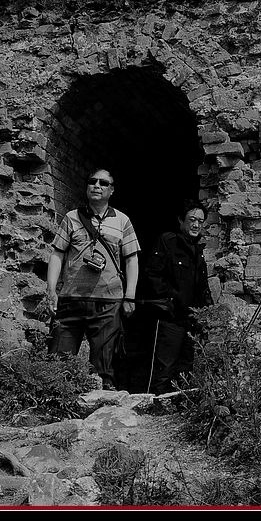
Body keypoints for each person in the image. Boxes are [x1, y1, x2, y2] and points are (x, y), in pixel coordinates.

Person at [46, 168, 140, 390]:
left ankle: (104, 405)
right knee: (58, 361)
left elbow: (131, 260)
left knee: (104, 366)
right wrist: (51, 291)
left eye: (103, 183)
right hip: (70, 299)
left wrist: (130, 296)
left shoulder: (122, 221)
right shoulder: (71, 217)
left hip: (108, 301)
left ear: (112, 190)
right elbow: (57, 254)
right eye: (93, 181)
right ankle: (57, 404)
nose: (97, 186)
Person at [140, 199, 213, 394]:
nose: (196, 225)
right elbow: (152, 274)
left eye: (200, 221)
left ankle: (179, 408)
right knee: (163, 369)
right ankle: (155, 407)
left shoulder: (198, 251)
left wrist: (207, 313)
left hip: (191, 321)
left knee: (186, 370)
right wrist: (171, 300)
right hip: (170, 318)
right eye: (192, 220)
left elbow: (202, 287)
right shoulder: (168, 241)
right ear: (181, 220)